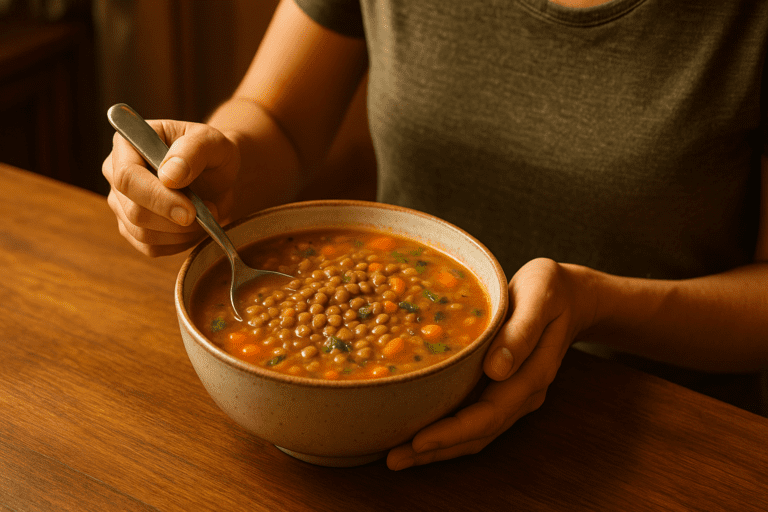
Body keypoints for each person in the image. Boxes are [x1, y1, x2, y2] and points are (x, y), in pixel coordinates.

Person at [103, 0, 768, 471]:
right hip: (375, 430)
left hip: (660, 437)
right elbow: (276, 118)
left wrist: (596, 304)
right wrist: (213, 166)